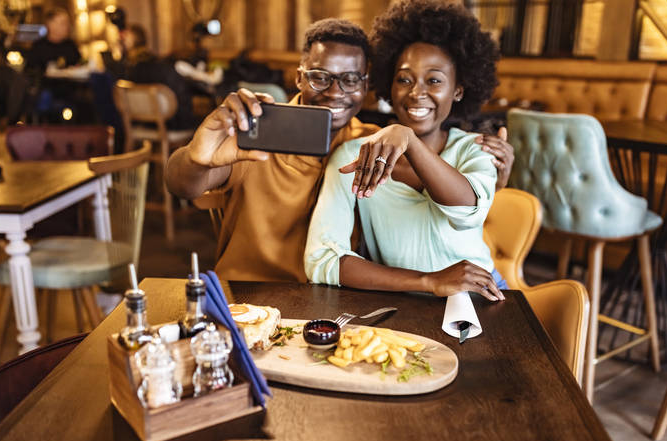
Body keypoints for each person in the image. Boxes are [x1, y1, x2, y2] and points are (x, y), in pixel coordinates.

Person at [166, 18, 513, 283]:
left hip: (335, 304)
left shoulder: (371, 142)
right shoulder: (257, 132)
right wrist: (197, 157)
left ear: (366, 85)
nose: (335, 92)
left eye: (350, 80)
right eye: (320, 76)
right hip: (249, 293)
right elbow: (182, 185)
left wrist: (495, 182)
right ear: (299, 77)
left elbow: (441, 197)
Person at [304, 0, 505, 301]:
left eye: (434, 80)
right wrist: (429, 281)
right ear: (389, 85)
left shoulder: (475, 149)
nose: (416, 92)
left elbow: (468, 213)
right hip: (402, 297)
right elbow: (322, 260)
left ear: (458, 90)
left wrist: (408, 141)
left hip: (481, 294)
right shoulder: (354, 157)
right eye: (404, 79)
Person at [26, 8, 81, 72]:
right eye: (62, 23)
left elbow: (80, 65)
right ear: (50, 25)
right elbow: (30, 71)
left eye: (67, 23)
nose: (67, 26)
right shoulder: (39, 46)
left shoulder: (71, 45)